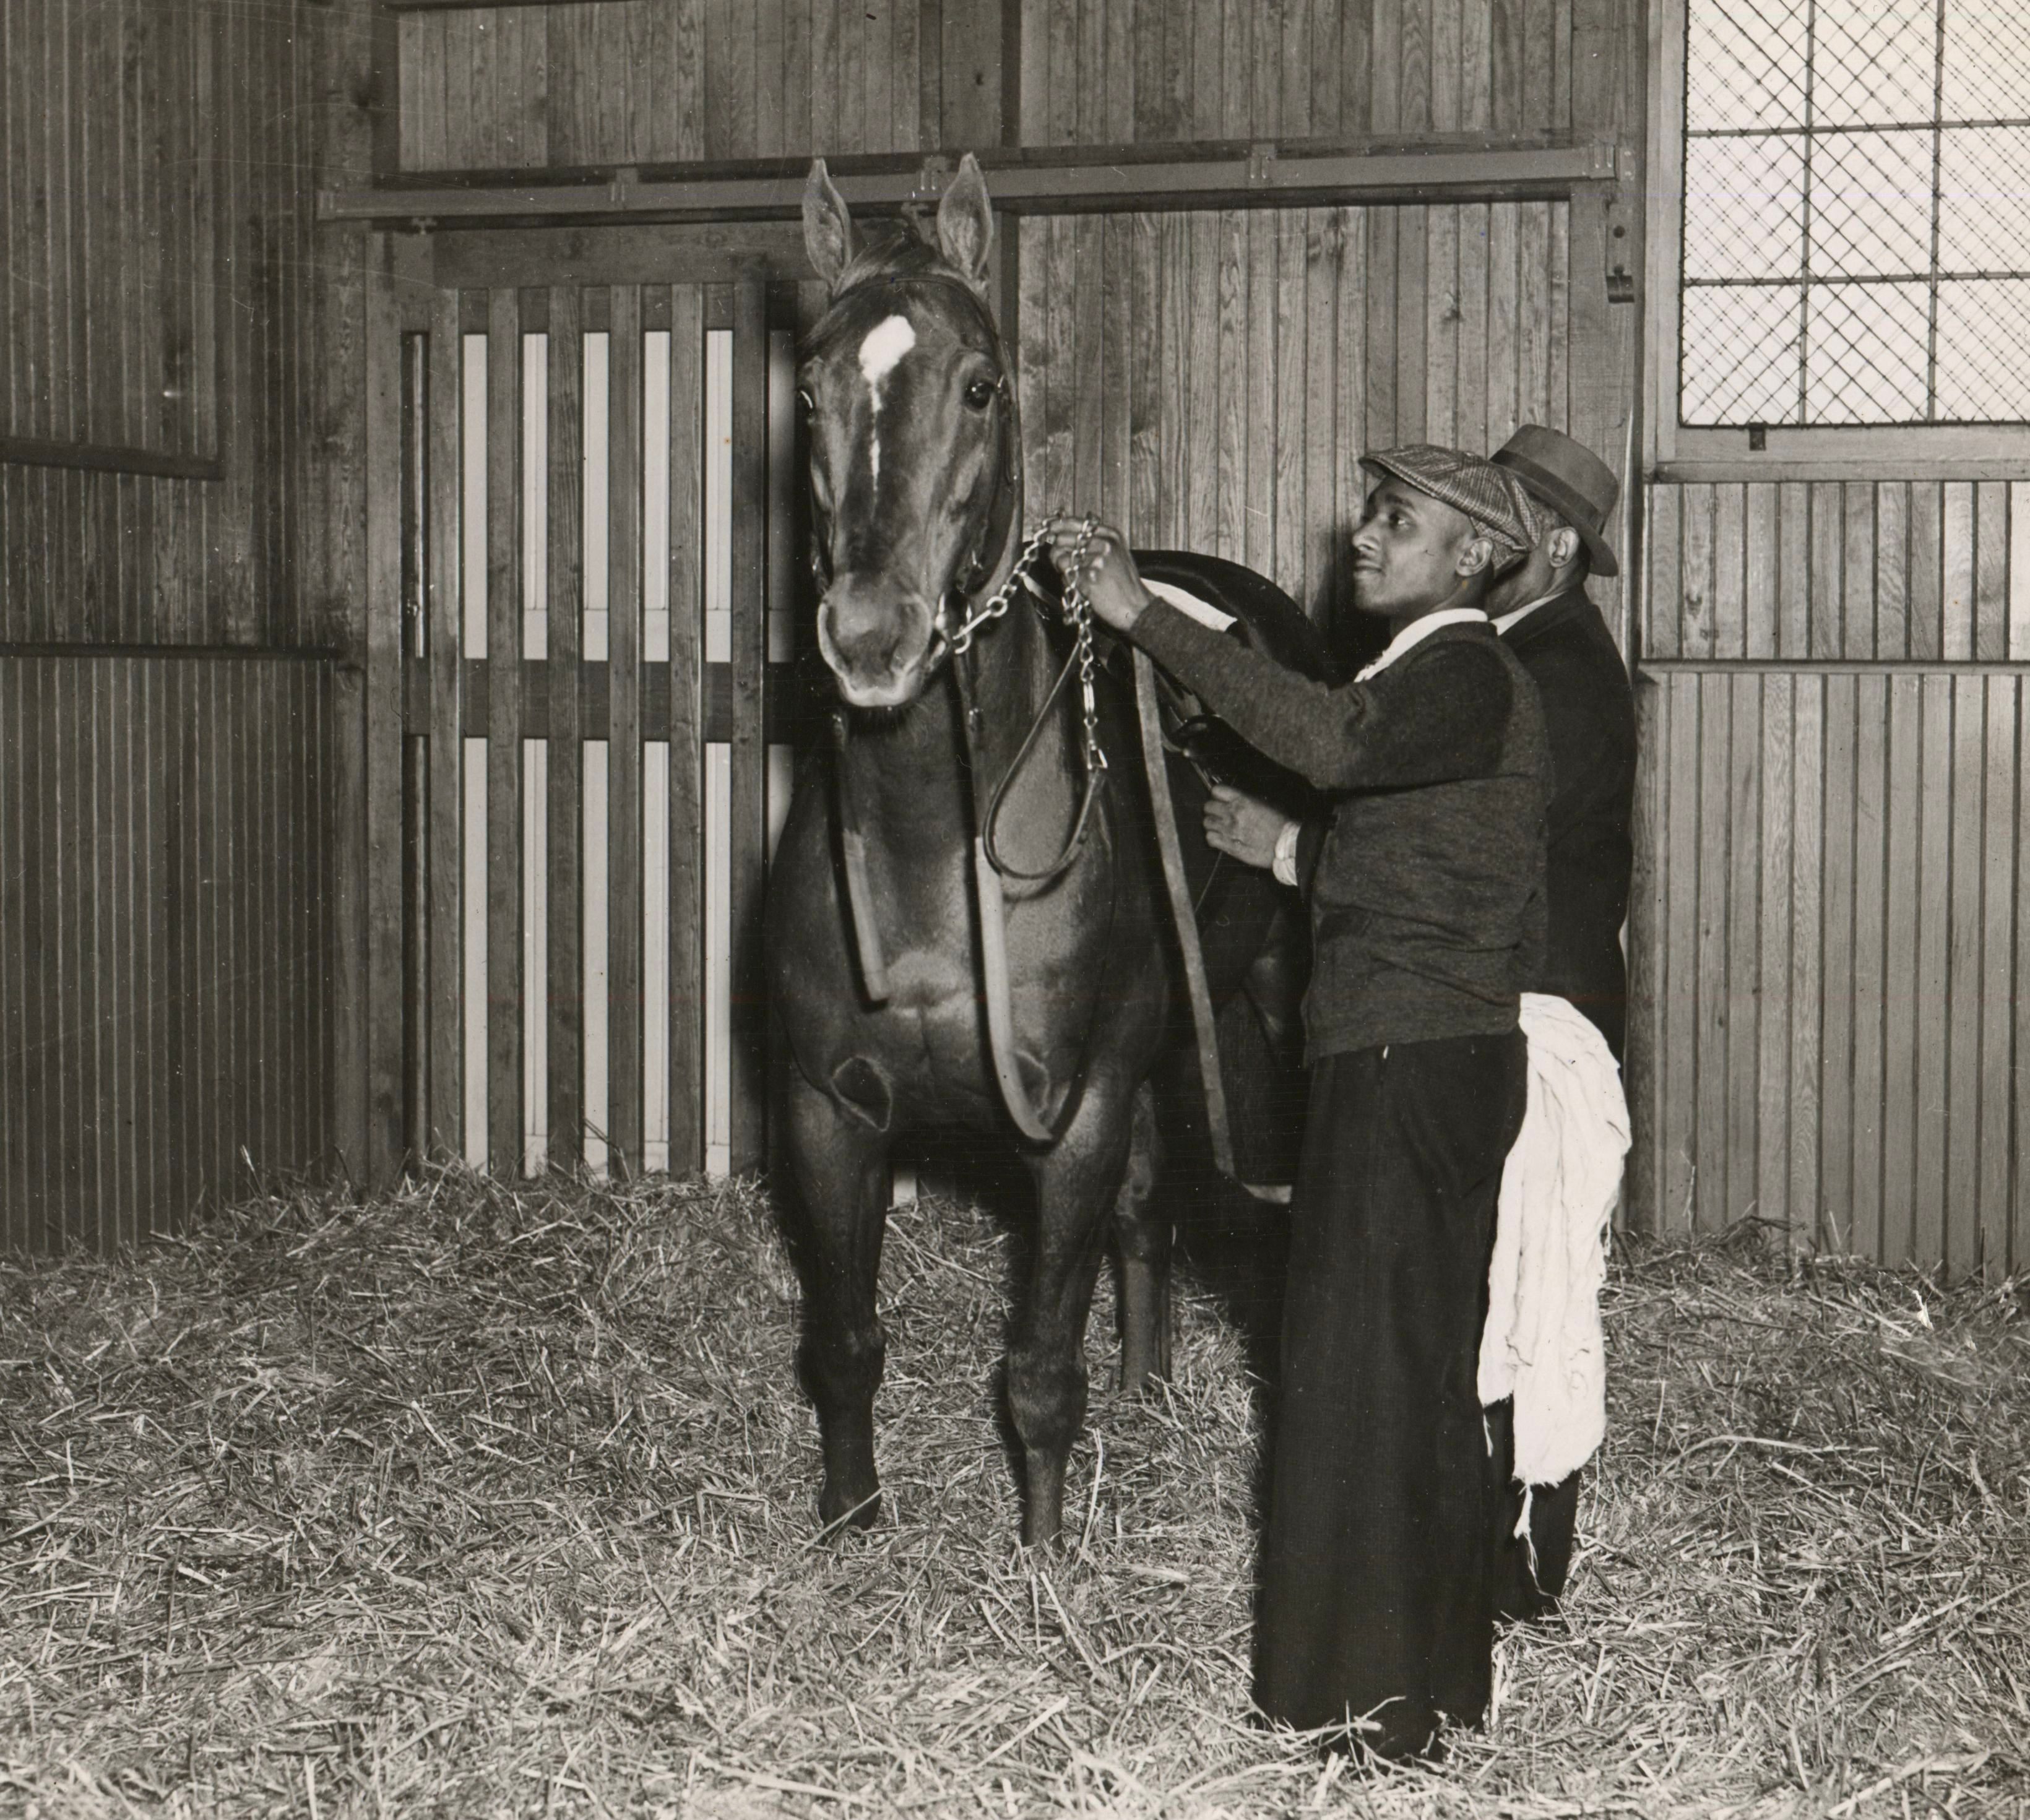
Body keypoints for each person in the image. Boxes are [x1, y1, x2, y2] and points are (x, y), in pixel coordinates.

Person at [1047, 446, 1551, 1761]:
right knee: (1389, 1369)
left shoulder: (1458, 672)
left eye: (1400, 522)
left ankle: (1369, 1717)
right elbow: (1422, 850)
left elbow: (1331, 745)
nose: (1364, 535)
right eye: (1372, 512)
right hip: (1408, 1056)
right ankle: (1418, 1687)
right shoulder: (1437, 680)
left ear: (1473, 560)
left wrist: (1142, 614)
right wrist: (1287, 847)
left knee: (1365, 1379)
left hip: (1407, 1065)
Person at [1479, 425, 1637, 1621]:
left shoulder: (1559, 670)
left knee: (1538, 1294)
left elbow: (1487, 852)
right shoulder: (1523, 650)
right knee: (1514, 1285)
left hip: (1545, 1017)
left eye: (1506, 516)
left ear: (1560, 543)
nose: (1484, 535)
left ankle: (1531, 1567)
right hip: (1528, 1000)